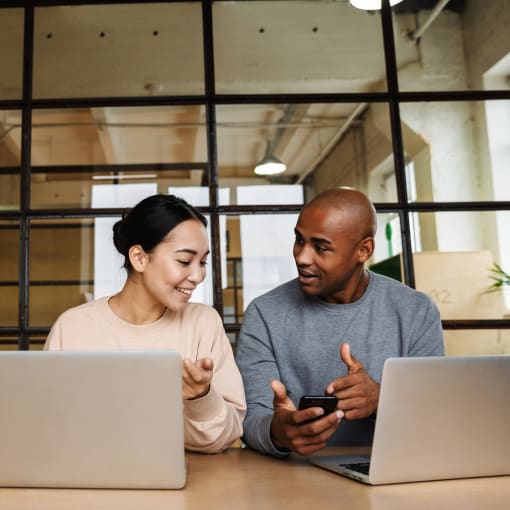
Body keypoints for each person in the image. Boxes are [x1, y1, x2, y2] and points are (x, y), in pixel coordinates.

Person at [235, 187, 444, 458]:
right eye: (299, 240)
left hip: (391, 469)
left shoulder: (416, 311)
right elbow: (251, 418)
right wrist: (279, 433)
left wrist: (382, 399)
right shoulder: (264, 313)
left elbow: (433, 415)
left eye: (321, 247)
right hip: (294, 480)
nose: (302, 257)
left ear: (363, 250)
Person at [45, 193, 246, 454]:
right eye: (185, 261)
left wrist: (201, 396)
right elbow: (49, 427)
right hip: (89, 480)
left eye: (203, 262)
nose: (198, 276)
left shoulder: (203, 323)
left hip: (190, 484)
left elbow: (225, 438)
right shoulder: (73, 327)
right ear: (139, 258)